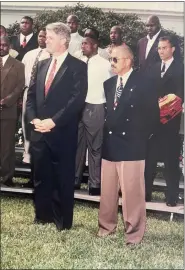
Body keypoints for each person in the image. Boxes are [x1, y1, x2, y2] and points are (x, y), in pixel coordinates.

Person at [26, 22, 87, 230]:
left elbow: (76, 100)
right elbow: (31, 96)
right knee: (41, 176)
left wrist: (53, 121)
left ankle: (62, 221)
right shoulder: (42, 64)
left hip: (62, 132)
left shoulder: (78, 67)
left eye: (50, 38)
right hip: (39, 132)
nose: (45, 41)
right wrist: (34, 120)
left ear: (63, 40)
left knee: (62, 177)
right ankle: (42, 216)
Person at [97, 45, 159, 245]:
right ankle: (106, 227)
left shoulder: (145, 83)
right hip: (110, 144)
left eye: (115, 59)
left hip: (132, 145)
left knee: (132, 193)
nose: (111, 63)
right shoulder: (109, 83)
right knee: (107, 191)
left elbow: (153, 117)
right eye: (111, 59)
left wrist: (139, 138)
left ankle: (133, 234)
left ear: (128, 60)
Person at [144, 36, 184, 206]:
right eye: (159, 48)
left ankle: (172, 197)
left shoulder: (181, 69)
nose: (161, 51)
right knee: (149, 159)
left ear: (173, 49)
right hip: (153, 123)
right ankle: (145, 194)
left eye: (164, 48)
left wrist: (164, 106)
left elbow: (179, 95)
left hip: (171, 123)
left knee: (171, 161)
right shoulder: (152, 68)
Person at [75, 36, 112, 195]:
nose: (82, 46)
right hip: (79, 107)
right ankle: (75, 179)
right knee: (77, 145)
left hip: (96, 106)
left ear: (95, 46)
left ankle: (95, 184)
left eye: (86, 44)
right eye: (82, 43)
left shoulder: (105, 65)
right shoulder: (79, 62)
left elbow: (111, 87)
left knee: (95, 147)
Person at [22, 28, 50, 164]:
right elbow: (21, 75)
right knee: (26, 121)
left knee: (37, 122)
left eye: (44, 36)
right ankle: (26, 153)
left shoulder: (50, 56)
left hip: (41, 93)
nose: (41, 38)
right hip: (27, 91)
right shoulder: (29, 54)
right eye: (40, 36)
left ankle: (37, 154)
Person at [0, 36, 25, 186]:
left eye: (4, 45)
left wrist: (5, 101)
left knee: (7, 145)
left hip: (8, 110)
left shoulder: (18, 65)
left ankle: (7, 176)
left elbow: (19, 86)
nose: (1, 47)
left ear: (9, 46)